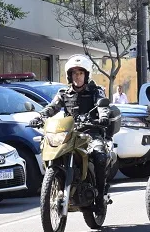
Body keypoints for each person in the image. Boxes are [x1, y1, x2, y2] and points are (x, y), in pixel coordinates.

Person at [30, 54, 111, 211]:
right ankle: (55, 182)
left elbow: (103, 107)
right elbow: (52, 107)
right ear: (69, 75)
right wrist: (40, 117)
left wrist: (104, 117)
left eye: (80, 73)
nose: (77, 76)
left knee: (100, 156)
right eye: (74, 73)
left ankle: (100, 197)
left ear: (86, 75)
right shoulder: (63, 93)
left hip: (90, 133)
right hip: (70, 134)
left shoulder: (96, 91)